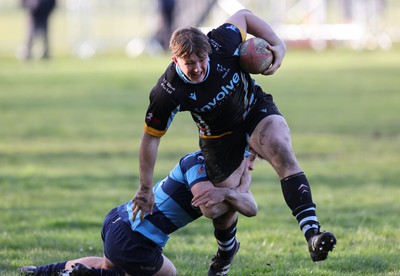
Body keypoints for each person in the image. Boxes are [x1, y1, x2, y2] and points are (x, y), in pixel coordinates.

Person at [132, 8, 336, 274]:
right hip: (218, 137)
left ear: (208, 51)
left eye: (201, 60)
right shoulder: (167, 91)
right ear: (175, 60)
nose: (197, 68)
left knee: (280, 148)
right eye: (189, 63)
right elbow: (150, 139)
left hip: (253, 109)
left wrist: (278, 45)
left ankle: (312, 234)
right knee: (214, 207)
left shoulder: (221, 42)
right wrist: (145, 189)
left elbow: (244, 15)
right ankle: (227, 250)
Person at [19, 149, 258, 276]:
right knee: (168, 275)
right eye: (250, 159)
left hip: (119, 221)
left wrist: (234, 192)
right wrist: (236, 192)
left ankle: (39, 271)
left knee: (108, 266)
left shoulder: (221, 176)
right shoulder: (198, 164)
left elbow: (252, 209)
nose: (251, 166)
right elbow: (211, 209)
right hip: (136, 239)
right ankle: (82, 275)